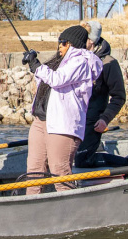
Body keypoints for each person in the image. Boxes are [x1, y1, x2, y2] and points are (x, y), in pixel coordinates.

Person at [22, 25, 103, 194]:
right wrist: (33, 63)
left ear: (73, 44)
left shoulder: (80, 61)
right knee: (34, 171)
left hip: (62, 125)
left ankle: (69, 212)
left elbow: (58, 80)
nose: (60, 45)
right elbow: (46, 81)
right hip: (41, 121)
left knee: (60, 171)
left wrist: (36, 65)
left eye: (64, 42)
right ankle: (31, 209)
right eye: (59, 42)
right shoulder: (59, 61)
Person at [74, 20, 127, 168]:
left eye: (83, 38)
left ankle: (127, 165)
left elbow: (119, 97)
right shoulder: (75, 59)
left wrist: (105, 119)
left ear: (91, 41)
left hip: (93, 122)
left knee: (82, 161)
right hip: (73, 119)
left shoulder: (109, 63)